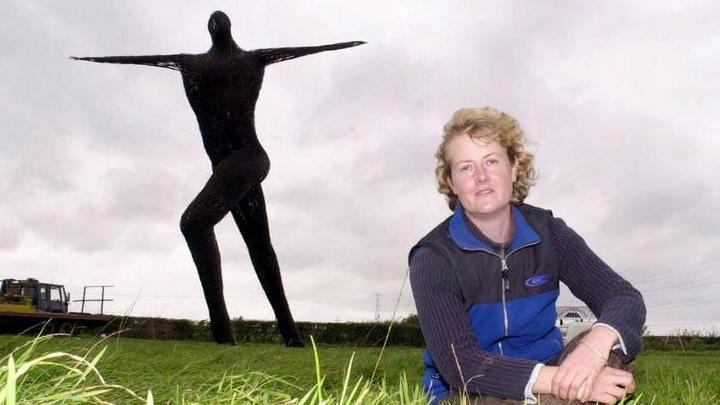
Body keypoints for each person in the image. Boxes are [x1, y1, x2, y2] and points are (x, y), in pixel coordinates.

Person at [72, 10, 365, 346]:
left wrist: (345, 44)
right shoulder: (193, 64)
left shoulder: (247, 61)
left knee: (194, 222)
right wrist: (91, 57)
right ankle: (292, 336)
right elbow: (138, 59)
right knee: (260, 247)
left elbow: (305, 49)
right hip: (232, 166)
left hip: (248, 159)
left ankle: (223, 335)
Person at [409, 107, 645, 404]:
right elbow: (462, 364)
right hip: (472, 390)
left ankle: (578, 387)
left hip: (551, 369)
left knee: (612, 343)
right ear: (452, 182)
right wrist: (561, 382)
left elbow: (623, 297)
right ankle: (580, 393)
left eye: (492, 161)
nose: (481, 177)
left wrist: (592, 350)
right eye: (466, 167)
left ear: (514, 168)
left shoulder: (550, 234)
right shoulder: (433, 258)